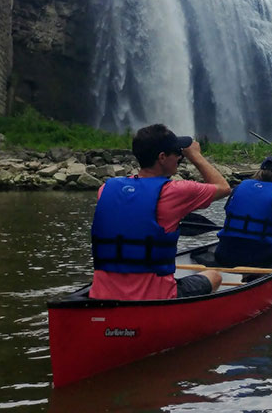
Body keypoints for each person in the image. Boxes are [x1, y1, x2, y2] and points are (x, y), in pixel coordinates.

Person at [89, 124, 231, 300]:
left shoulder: (105, 189)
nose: (179, 157)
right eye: (176, 154)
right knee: (214, 276)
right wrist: (195, 156)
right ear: (162, 157)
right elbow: (224, 188)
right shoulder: (176, 191)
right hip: (156, 297)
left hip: (102, 296)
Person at [214, 155, 272, 267]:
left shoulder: (239, 188)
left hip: (223, 254)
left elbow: (228, 212)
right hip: (257, 258)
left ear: (260, 171)